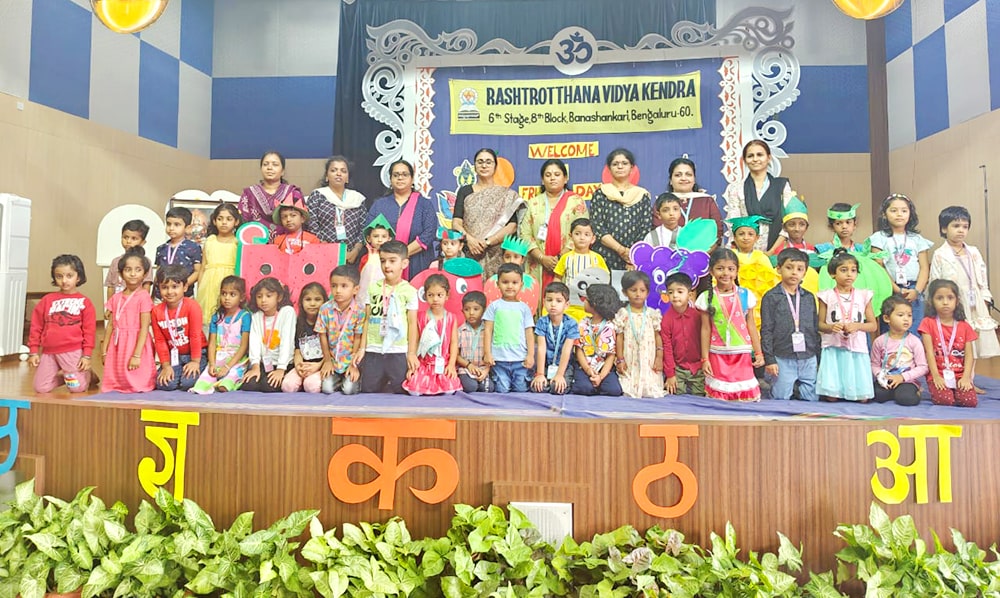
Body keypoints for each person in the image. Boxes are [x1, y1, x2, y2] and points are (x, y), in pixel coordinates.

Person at [930, 206, 1000, 363]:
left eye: (965, 226)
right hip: (954, 301)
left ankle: (970, 375)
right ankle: (958, 373)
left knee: (974, 340)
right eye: (956, 226)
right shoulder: (940, 254)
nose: (961, 230)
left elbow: (982, 276)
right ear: (944, 228)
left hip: (975, 301)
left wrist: (985, 297)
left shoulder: (973, 252)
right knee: (957, 340)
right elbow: (935, 282)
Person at [696, 248, 763, 401]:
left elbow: (751, 325)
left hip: (742, 352)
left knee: (743, 396)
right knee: (720, 396)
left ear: (737, 271)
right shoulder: (706, 298)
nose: (725, 273)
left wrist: (759, 352)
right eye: (720, 268)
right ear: (711, 271)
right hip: (717, 352)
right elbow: (705, 329)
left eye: (730, 269)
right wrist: (705, 359)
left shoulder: (745, 295)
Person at [28, 255, 97, 393]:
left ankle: (87, 375)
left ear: (78, 277)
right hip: (49, 352)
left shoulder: (85, 302)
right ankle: (69, 374)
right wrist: (33, 351)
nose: (64, 280)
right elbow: (36, 326)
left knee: (76, 388)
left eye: (69, 276)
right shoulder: (47, 300)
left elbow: (89, 331)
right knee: (41, 387)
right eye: (59, 276)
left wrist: (86, 355)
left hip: (72, 351)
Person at [357, 240, 419, 394]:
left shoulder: (410, 291)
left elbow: (412, 324)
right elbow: (367, 319)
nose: (386, 265)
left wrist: (411, 353)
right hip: (374, 348)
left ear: (404, 263)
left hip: (397, 349)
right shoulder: (373, 288)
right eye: (383, 261)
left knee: (401, 390)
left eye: (392, 261)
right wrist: (362, 348)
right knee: (368, 389)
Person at [451, 148, 524, 279]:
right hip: (470, 252)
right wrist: (470, 240)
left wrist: (488, 242)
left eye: (488, 162)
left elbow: (512, 226)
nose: (484, 165)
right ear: (475, 166)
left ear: (495, 167)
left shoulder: (506, 194)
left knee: (495, 287)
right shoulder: (465, 191)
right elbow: (456, 223)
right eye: (480, 162)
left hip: (497, 254)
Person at [816, 249, 878, 402]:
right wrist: (831, 327)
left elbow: (873, 326)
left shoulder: (864, 295)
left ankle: (855, 391)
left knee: (862, 399)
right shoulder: (826, 295)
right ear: (833, 274)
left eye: (853, 270)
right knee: (831, 398)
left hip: (856, 346)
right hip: (833, 345)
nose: (849, 274)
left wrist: (857, 326)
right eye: (843, 270)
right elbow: (820, 324)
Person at [520, 159, 589, 292]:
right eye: (548, 175)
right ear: (542, 180)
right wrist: (542, 258)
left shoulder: (576, 202)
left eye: (557, 174)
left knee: (564, 298)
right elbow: (525, 234)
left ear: (565, 178)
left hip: (568, 262)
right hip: (538, 264)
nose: (552, 178)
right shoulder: (533, 203)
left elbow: (583, 232)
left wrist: (560, 258)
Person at [760, 248, 820, 401]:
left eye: (800, 269)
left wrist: (818, 356)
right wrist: (770, 359)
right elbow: (766, 330)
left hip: (808, 355)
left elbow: (814, 328)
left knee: (811, 398)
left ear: (805, 273)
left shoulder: (809, 297)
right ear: (779, 269)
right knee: (781, 398)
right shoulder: (771, 297)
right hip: (782, 356)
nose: (794, 273)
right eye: (789, 267)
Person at [868, 193, 932, 334]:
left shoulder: (917, 239)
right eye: (893, 210)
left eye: (904, 211)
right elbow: (879, 267)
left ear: (910, 213)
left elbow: (924, 268)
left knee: (914, 330)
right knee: (891, 330)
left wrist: (917, 291)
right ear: (884, 214)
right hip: (889, 289)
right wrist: (897, 289)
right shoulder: (878, 238)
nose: (899, 214)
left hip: (914, 290)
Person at [365, 159, 438, 279]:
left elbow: (429, 233)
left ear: (412, 179)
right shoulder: (379, 205)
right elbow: (368, 233)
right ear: (390, 179)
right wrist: (390, 258)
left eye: (405, 174)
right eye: (396, 175)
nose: (400, 178)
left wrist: (401, 255)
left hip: (417, 262)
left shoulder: (424, 205)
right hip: (385, 266)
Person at [723, 140, 794, 251]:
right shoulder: (736, 188)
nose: (755, 159)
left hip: (777, 250)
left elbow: (788, 221)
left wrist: (772, 252)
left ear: (768, 158)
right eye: (750, 156)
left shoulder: (781, 186)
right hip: (744, 249)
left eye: (760, 155)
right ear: (744, 160)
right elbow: (734, 221)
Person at [101, 247, 156, 393]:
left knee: (138, 382)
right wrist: (104, 350)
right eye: (128, 270)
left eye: (138, 270)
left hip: (136, 341)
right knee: (116, 382)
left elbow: (144, 328)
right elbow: (111, 325)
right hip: (118, 342)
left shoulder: (144, 296)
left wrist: (137, 355)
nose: (132, 274)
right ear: (120, 274)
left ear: (145, 274)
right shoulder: (116, 298)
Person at [591, 148, 653, 270]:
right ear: (609, 169)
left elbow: (645, 227)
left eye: (624, 163)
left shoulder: (642, 195)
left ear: (632, 167)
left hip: (633, 259)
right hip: (605, 255)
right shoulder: (601, 193)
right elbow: (597, 227)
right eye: (615, 164)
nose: (620, 167)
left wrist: (632, 253)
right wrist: (620, 249)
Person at [919, 279, 978, 407]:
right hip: (938, 373)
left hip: (959, 374)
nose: (945, 302)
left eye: (950, 298)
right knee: (945, 400)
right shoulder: (927, 323)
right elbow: (929, 353)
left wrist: (966, 378)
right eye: (939, 298)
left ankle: (957, 391)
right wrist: (936, 376)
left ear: (957, 301)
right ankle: (946, 391)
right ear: (931, 301)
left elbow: (969, 356)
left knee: (969, 401)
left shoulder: (965, 326)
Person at [403, 274, 462, 395]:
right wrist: (412, 366)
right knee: (414, 390)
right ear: (425, 296)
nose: (435, 299)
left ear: (447, 295)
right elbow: (415, 341)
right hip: (424, 364)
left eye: (439, 295)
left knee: (450, 390)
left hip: (443, 364)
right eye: (431, 295)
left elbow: (454, 343)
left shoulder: (451, 318)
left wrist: (451, 365)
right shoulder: (420, 317)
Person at [190, 276, 251, 394]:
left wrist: (228, 367)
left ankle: (227, 379)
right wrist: (212, 364)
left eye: (232, 294)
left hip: (236, 361)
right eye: (224, 293)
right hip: (218, 358)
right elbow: (212, 343)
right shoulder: (216, 317)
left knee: (225, 386)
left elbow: (244, 346)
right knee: (200, 386)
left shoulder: (245, 316)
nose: (227, 298)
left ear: (242, 297)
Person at [152, 265, 207, 391]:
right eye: (164, 287)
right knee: (164, 384)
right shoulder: (156, 311)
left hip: (196, 354)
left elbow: (195, 335)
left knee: (187, 383)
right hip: (174, 356)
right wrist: (166, 366)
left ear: (185, 287)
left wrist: (195, 362)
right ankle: (178, 372)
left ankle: (199, 369)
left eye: (175, 287)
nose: (170, 292)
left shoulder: (192, 306)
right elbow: (160, 341)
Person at [483, 263, 535, 393]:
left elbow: (529, 333)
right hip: (499, 360)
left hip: (520, 360)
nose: (510, 286)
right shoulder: (493, 306)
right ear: (498, 284)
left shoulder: (524, 308)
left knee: (521, 390)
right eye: (505, 282)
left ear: (521, 285)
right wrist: (488, 353)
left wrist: (530, 355)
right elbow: (488, 330)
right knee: (502, 389)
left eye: (514, 282)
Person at [305, 156, 367, 263]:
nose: (338, 173)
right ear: (327, 176)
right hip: (322, 254)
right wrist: (327, 248)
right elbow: (312, 225)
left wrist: (355, 251)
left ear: (347, 178)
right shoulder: (317, 195)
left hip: (351, 256)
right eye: (334, 170)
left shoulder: (357, 199)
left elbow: (363, 228)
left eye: (343, 171)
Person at [871, 294, 928, 406]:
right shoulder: (879, 341)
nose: (906, 319)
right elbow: (874, 364)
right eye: (901, 315)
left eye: (909, 315)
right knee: (876, 395)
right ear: (887, 318)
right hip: (886, 379)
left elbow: (923, 367)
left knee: (906, 399)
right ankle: (892, 392)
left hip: (907, 380)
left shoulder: (914, 341)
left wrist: (902, 377)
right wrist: (880, 375)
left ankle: (916, 391)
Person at [241, 278, 297, 393]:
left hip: (283, 364)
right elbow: (254, 342)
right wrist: (255, 366)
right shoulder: (257, 315)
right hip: (264, 365)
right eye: (259, 296)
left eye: (268, 296)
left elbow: (287, 341)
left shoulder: (287, 312)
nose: (263, 300)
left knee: (268, 386)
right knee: (249, 385)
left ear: (279, 297)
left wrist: (281, 369)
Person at [615, 271, 665, 398]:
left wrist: (659, 357)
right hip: (629, 354)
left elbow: (657, 336)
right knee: (628, 379)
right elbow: (619, 337)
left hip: (648, 354)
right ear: (624, 292)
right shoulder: (623, 314)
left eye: (642, 290)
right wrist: (620, 359)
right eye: (633, 290)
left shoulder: (652, 314)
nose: (638, 294)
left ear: (647, 293)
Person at [317, 266, 365, 395]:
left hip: (350, 362)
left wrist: (354, 365)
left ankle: (350, 380)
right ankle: (339, 380)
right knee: (327, 389)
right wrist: (327, 361)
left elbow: (358, 338)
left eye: (344, 286)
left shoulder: (360, 311)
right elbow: (322, 335)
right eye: (334, 286)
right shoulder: (325, 309)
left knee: (349, 390)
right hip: (333, 361)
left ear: (355, 289)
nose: (338, 290)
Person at [729, 215, 780, 332]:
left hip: (758, 306)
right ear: (734, 237)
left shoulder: (762, 257)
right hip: (734, 304)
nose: (746, 238)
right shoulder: (729, 256)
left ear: (757, 237)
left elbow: (771, 283)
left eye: (750, 234)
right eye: (741, 234)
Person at [571, 283, 622, 396]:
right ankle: (592, 385)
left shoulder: (610, 326)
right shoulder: (582, 324)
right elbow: (579, 350)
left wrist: (601, 376)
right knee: (584, 388)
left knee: (614, 390)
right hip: (584, 367)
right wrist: (588, 370)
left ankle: (597, 383)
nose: (584, 301)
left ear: (594, 304)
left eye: (586, 299)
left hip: (603, 367)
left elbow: (610, 356)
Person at [238, 150, 304, 237]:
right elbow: (243, 223)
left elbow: (302, 223)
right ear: (261, 169)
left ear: (283, 171)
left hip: (288, 242)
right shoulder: (249, 194)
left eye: (275, 164)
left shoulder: (293, 193)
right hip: (256, 242)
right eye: (265, 164)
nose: (269, 167)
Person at [554, 218, 608, 322]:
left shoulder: (598, 259)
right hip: (569, 305)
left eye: (587, 234)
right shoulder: (566, 258)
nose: (582, 238)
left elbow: (604, 280)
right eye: (577, 234)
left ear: (593, 238)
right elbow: (557, 278)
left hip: (591, 306)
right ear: (570, 236)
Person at [661, 156, 723, 247]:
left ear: (694, 179)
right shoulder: (662, 202)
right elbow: (657, 231)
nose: (683, 178)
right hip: (669, 252)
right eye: (678, 175)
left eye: (688, 174)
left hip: (704, 253)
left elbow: (717, 231)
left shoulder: (706, 201)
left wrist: (703, 252)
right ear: (670, 180)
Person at [531, 282, 580, 395]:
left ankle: (558, 380)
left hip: (564, 366)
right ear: (544, 302)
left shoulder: (571, 324)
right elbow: (541, 348)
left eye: (558, 301)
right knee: (538, 387)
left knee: (558, 388)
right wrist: (540, 374)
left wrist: (559, 375)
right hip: (546, 364)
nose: (553, 304)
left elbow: (567, 350)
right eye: (549, 300)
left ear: (566, 305)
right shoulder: (542, 322)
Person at [195, 204, 241, 325]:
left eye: (229, 219)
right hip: (209, 284)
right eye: (220, 219)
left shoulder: (238, 242)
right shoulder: (210, 240)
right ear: (214, 221)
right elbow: (203, 267)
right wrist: (200, 288)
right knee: (209, 319)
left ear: (236, 222)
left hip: (230, 282)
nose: (224, 222)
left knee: (228, 318)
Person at [660, 273, 704, 396]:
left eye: (680, 292)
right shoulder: (666, 319)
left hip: (698, 367)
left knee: (700, 397)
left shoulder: (698, 316)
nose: (675, 295)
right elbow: (667, 347)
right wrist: (670, 374)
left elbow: (706, 340)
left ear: (690, 295)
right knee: (676, 394)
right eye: (670, 292)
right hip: (678, 368)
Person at [281, 282, 327, 393]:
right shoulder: (298, 323)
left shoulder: (328, 322)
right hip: (303, 365)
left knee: (311, 386)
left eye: (317, 299)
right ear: (301, 302)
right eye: (308, 299)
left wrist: (318, 366)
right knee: (288, 386)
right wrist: (298, 366)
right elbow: (297, 350)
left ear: (325, 302)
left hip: (321, 365)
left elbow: (331, 352)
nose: (312, 303)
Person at [105, 220, 153, 317]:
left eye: (134, 238)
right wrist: (110, 307)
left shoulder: (146, 261)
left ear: (143, 242)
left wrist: (144, 306)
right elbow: (111, 286)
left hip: (136, 305)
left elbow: (146, 286)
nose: (128, 241)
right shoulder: (115, 261)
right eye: (125, 237)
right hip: (118, 305)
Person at [483, 235, 539, 314]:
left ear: (522, 260)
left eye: (516, 257)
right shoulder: (491, 282)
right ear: (502, 258)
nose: (511, 260)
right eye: (507, 257)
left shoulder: (532, 282)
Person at [154, 207, 202, 299]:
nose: (171, 228)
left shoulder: (194, 247)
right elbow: (158, 273)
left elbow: (197, 272)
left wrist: (182, 286)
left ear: (187, 228)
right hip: (162, 295)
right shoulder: (161, 249)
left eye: (177, 224)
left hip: (185, 295)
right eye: (168, 224)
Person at [456, 291, 491, 393]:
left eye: (476, 309)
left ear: (484, 310)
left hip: (483, 369)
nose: (471, 313)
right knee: (470, 387)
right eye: (467, 309)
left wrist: (486, 370)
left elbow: (493, 354)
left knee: (488, 389)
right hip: (466, 369)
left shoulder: (488, 331)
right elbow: (456, 355)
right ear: (462, 311)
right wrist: (468, 365)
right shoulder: (459, 331)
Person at [358, 214, 394, 302]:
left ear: (389, 238)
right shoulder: (365, 258)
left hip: (383, 298)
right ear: (368, 238)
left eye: (384, 236)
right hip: (364, 297)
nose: (380, 240)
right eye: (376, 236)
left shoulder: (392, 259)